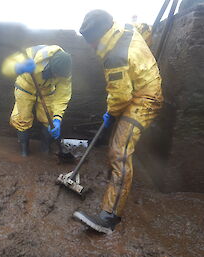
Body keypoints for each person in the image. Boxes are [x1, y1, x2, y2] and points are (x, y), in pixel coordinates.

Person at [73, 10, 163, 234]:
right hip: (139, 87)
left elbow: (120, 97)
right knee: (117, 143)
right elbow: (146, 29)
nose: (92, 48)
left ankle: (109, 218)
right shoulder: (126, 28)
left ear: (99, 37)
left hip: (145, 99)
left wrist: (111, 114)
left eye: (92, 43)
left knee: (119, 151)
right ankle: (114, 183)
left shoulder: (113, 56)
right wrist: (143, 60)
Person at [2, 45, 72, 156]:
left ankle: (45, 149)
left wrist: (57, 118)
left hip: (46, 90)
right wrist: (18, 67)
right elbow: (6, 67)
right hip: (26, 86)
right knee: (22, 118)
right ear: (51, 67)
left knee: (48, 118)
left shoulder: (65, 70)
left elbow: (62, 96)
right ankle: (24, 150)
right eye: (56, 75)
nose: (58, 77)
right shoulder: (33, 55)